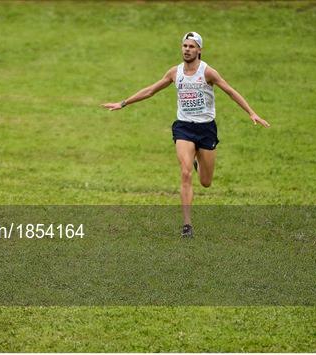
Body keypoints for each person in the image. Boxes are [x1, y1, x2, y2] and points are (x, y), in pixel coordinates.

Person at [101, 31, 270, 237]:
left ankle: (198, 163)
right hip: (184, 128)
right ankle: (187, 225)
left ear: (199, 50)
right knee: (185, 171)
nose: (187, 49)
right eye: (184, 46)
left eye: (191, 46)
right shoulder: (175, 73)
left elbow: (231, 91)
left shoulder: (208, 73)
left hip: (206, 129)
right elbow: (151, 90)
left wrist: (252, 112)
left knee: (206, 182)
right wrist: (123, 103)